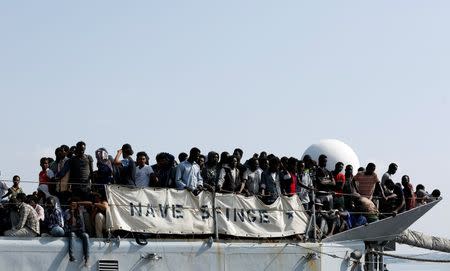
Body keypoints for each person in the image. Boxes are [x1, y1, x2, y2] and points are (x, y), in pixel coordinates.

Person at [65, 199, 90, 264]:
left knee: (86, 236)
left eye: (74, 205)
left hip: (80, 230)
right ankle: (71, 256)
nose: (73, 206)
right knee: (72, 235)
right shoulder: (67, 212)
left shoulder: (80, 210)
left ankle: (86, 257)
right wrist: (72, 213)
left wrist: (78, 202)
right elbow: (72, 222)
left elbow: (90, 203)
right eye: (71, 205)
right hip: (71, 230)